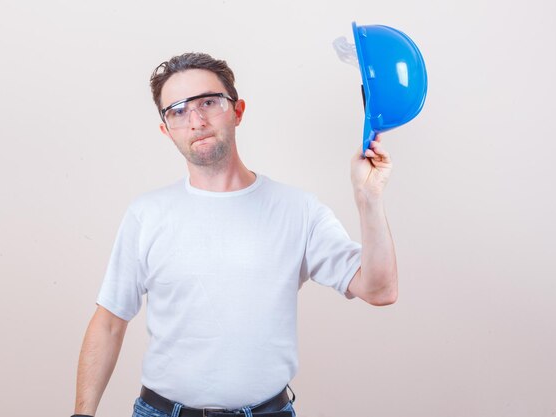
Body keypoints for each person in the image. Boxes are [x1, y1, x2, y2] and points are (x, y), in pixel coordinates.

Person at [73, 52, 398, 417]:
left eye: (208, 102)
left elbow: (379, 289)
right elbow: (109, 323)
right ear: (167, 130)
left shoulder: (298, 209)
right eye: (178, 111)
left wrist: (368, 199)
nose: (196, 120)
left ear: (237, 111)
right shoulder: (146, 214)